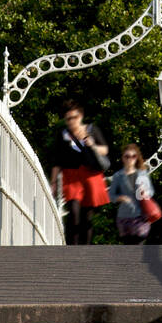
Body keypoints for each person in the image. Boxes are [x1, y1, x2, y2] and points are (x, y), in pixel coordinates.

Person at [50, 100, 110, 245]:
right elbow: (57, 161)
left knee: (87, 217)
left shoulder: (92, 130)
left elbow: (105, 150)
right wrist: (53, 182)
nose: (71, 121)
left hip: (90, 176)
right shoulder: (62, 135)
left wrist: (92, 145)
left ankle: (86, 250)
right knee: (74, 212)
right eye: (68, 118)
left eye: (74, 117)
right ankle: (73, 249)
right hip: (71, 177)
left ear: (81, 116)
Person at [109, 143, 155, 244]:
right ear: (123, 158)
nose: (130, 159)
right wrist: (120, 198)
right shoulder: (118, 176)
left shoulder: (142, 173)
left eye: (133, 156)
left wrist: (145, 192)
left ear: (137, 158)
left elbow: (151, 191)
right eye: (127, 156)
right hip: (124, 217)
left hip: (141, 216)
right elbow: (111, 196)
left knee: (139, 244)